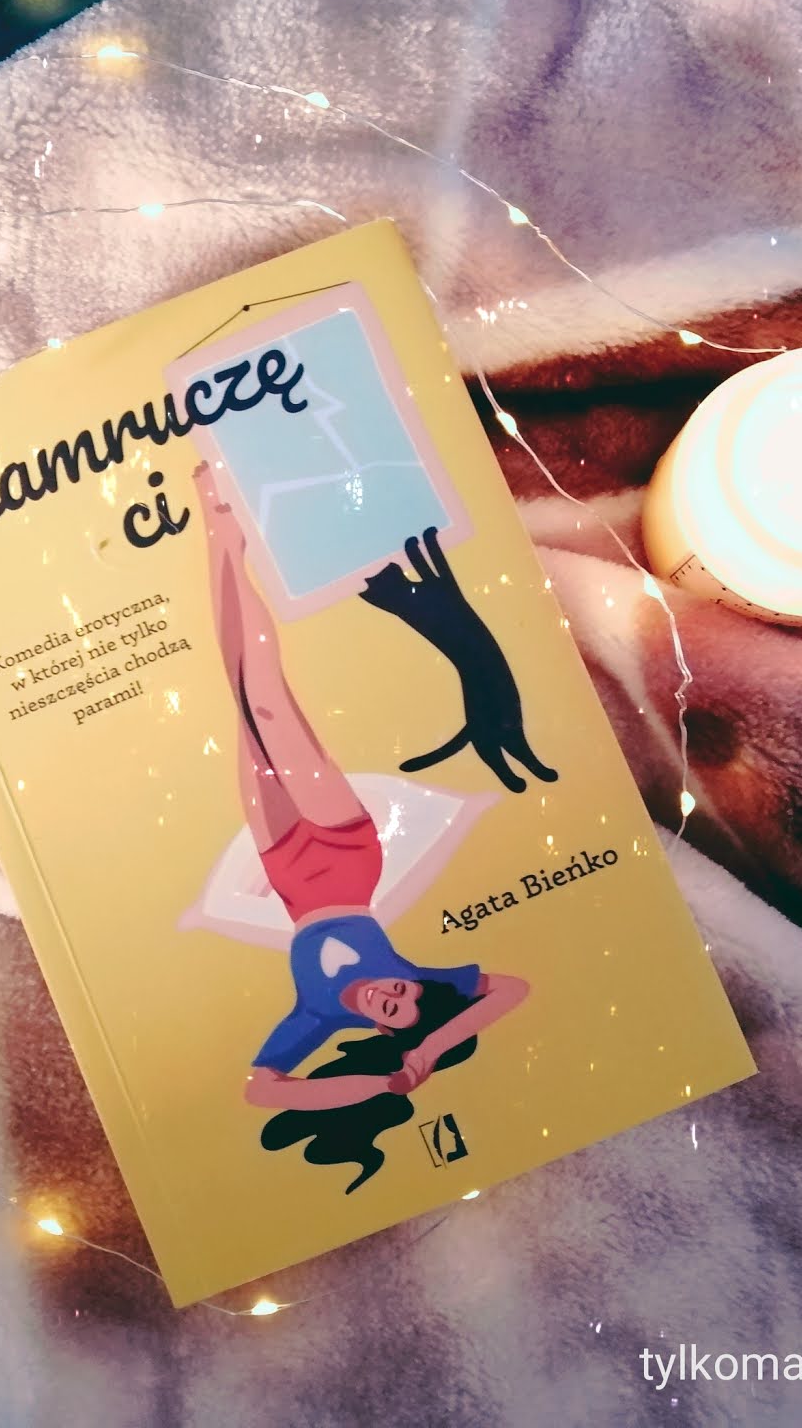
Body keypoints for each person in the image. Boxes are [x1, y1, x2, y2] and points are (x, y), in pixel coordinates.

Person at [190, 464, 530, 1116]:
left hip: (285, 867)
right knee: (265, 699)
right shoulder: (426, 980)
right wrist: (434, 1047)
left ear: (380, 1029)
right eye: (402, 992)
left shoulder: (318, 1016)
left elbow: (262, 1090)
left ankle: (221, 541)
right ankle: (224, 526)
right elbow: (512, 989)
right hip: (346, 851)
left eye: (392, 1010)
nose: (389, 994)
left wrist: (386, 1084)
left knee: (240, 686)